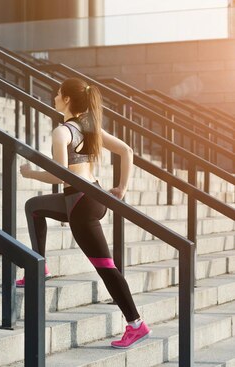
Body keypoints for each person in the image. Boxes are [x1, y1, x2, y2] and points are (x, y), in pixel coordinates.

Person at [15, 78, 151, 349]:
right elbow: (127, 151)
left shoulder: (62, 132)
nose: (54, 97)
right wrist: (121, 188)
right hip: (90, 197)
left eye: (57, 93)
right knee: (34, 207)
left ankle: (136, 324)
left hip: (80, 205)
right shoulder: (89, 127)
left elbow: (60, 173)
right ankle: (39, 269)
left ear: (66, 99)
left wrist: (30, 172)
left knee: (106, 268)